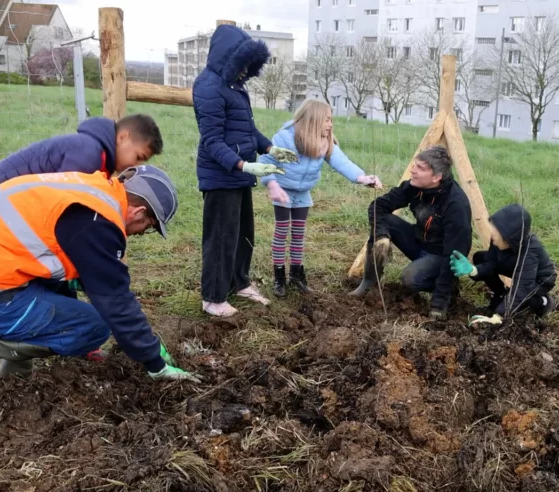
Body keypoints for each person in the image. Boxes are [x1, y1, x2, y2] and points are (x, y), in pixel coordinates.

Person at [0, 167, 201, 398]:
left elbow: (63, 268)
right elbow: (114, 300)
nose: (138, 234)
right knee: (92, 327)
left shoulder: (88, 189)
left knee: (63, 310)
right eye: (147, 228)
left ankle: (14, 374)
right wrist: (155, 364)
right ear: (139, 212)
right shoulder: (100, 222)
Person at [192, 23, 297, 319]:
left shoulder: (235, 86)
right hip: (220, 175)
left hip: (238, 175)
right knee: (221, 237)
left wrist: (269, 149)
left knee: (242, 234)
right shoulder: (208, 86)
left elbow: (247, 129)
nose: (246, 72)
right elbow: (212, 141)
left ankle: (238, 282)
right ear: (230, 59)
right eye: (243, 65)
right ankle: (212, 298)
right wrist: (243, 164)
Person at [258, 99, 382, 297]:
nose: (331, 124)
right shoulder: (285, 138)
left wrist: (362, 178)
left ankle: (297, 275)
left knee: (298, 234)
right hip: (283, 190)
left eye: (331, 120)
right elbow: (265, 160)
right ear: (313, 120)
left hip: (302, 192)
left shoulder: (325, 141)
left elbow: (342, 162)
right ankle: (279, 277)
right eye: (327, 120)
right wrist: (271, 184)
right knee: (282, 232)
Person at [349, 146, 472, 320]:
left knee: (410, 279)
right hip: (419, 240)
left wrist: (439, 302)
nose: (412, 170)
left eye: (420, 168)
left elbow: (454, 254)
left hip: (441, 254)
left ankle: (448, 287)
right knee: (385, 222)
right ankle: (369, 283)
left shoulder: (456, 206)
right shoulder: (415, 186)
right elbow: (378, 206)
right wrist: (381, 236)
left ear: (437, 177)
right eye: (415, 165)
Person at [0, 114, 163, 195]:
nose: (134, 167)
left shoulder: (96, 153)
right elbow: (64, 202)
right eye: (138, 157)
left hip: (7, 195)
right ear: (123, 137)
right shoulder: (89, 153)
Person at [449, 203, 557, 326]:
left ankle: (544, 302)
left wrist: (499, 316)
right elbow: (490, 265)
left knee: (524, 296)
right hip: (513, 265)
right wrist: (473, 270)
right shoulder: (497, 238)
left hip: (538, 279)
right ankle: (500, 294)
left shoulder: (530, 251)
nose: (492, 234)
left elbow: (521, 288)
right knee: (480, 257)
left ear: (509, 236)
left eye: (496, 231)